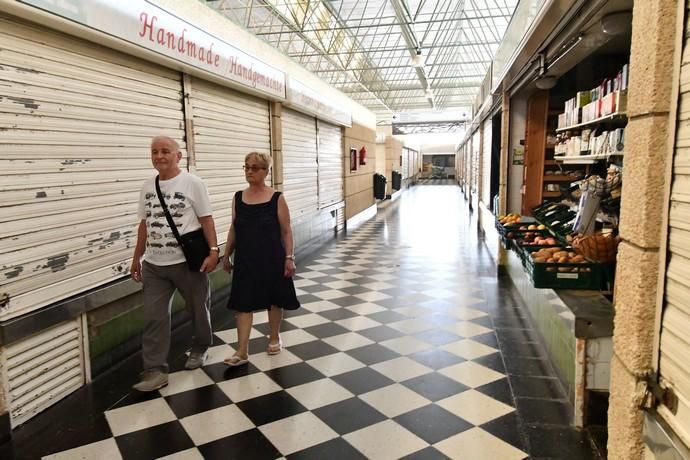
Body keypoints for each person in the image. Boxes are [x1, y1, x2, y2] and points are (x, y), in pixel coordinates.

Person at [130, 136, 220, 391]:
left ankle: (201, 346)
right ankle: (155, 370)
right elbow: (144, 224)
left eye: (165, 151)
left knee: (198, 309)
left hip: (186, 262)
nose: (159, 156)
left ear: (178, 156)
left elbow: (206, 220)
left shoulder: (193, 183)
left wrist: (214, 252)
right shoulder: (148, 187)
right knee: (154, 317)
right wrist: (137, 257)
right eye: (155, 151)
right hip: (154, 265)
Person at [222, 152, 300, 366]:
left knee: (273, 299)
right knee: (242, 303)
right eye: (246, 167)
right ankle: (242, 350)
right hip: (246, 259)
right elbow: (234, 228)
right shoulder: (238, 197)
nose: (249, 171)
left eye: (255, 168)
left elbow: (286, 231)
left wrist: (289, 257)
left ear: (266, 171)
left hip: (272, 258)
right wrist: (226, 254)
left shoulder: (276, 198)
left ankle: (274, 336)